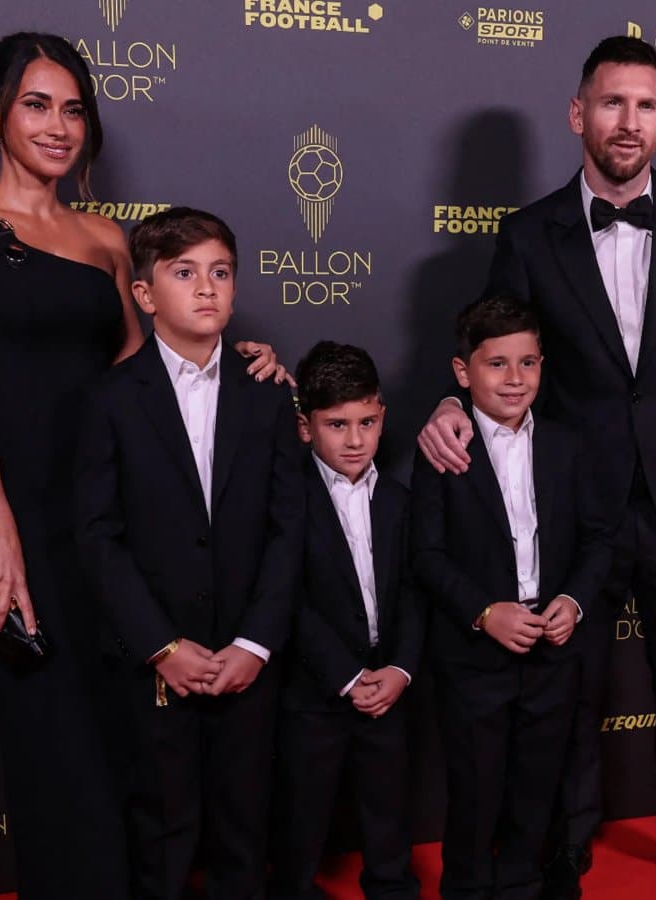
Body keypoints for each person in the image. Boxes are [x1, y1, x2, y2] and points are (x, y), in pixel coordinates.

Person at [0, 35, 282, 899]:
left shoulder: (107, 238)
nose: (57, 125)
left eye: (73, 107)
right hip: (16, 514)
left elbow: (142, 372)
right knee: (52, 738)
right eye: (36, 105)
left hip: (109, 512)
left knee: (126, 733)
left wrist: (240, 363)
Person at [416, 36, 656, 900]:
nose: (629, 121)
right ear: (579, 114)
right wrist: (445, 402)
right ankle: (562, 847)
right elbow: (496, 350)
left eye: (646, 105)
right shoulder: (528, 231)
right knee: (564, 685)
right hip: (570, 503)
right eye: (613, 103)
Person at [73, 207, 304, 900]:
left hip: (247, 660)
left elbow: (289, 530)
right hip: (156, 664)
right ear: (144, 295)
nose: (206, 288)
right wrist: (161, 646)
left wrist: (256, 642)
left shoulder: (267, 397)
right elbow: (96, 535)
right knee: (163, 835)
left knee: (245, 831)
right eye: (184, 273)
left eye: (220, 273)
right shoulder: (110, 399)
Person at [411, 295, 611, 899]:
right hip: (475, 659)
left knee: (538, 785)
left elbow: (600, 538)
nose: (515, 378)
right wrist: (483, 611)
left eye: (528, 362)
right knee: (475, 790)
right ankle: (468, 888)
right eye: (497, 364)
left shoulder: (567, 444)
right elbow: (425, 556)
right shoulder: (443, 450)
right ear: (462, 371)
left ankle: (524, 881)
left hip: (552, 651)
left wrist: (573, 601)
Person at [270, 341, 423, 900]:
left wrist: (401, 669)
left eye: (366, 422)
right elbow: (287, 598)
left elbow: (414, 590)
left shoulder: (402, 500)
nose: (355, 440)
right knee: (300, 821)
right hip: (313, 693)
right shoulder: (285, 499)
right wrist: (345, 675)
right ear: (306, 426)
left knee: (389, 816)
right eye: (337, 425)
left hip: (388, 685)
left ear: (383, 416)